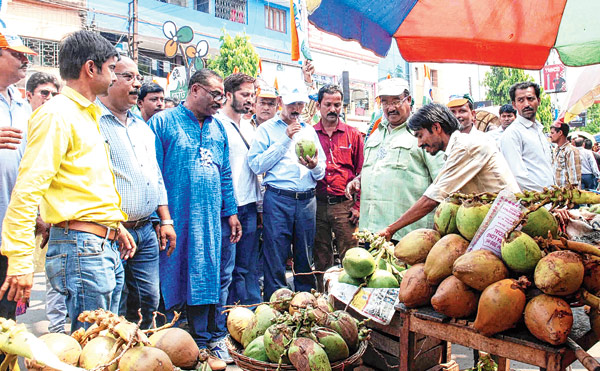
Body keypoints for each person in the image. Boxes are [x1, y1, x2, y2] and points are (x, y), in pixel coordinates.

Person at [0, 30, 136, 332]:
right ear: (90, 68)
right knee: (90, 349)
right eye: (111, 68)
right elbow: (26, 190)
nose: (114, 77)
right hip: (81, 249)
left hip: (100, 247)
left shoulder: (86, 115)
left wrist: (114, 226)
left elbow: (83, 187)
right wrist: (20, 261)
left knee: (105, 346)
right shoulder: (57, 115)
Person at [148, 69, 241, 369]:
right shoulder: (162, 123)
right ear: (196, 90)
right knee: (173, 272)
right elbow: (152, 174)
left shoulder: (219, 128)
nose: (220, 101)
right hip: (173, 219)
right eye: (215, 94)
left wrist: (232, 212)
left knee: (206, 274)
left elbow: (225, 172)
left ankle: (205, 340)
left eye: (223, 96)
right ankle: (170, 339)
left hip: (210, 220)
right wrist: (159, 219)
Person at [98, 57, 176, 329]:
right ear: (109, 78)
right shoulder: (92, 122)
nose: (136, 84)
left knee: (149, 300)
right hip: (111, 232)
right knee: (115, 304)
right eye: (127, 76)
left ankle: (143, 354)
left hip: (145, 230)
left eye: (137, 77)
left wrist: (165, 220)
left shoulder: (143, 128)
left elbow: (155, 176)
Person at [379, 103, 520, 239]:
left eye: (420, 135)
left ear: (436, 127)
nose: (419, 144)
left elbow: (431, 199)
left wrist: (390, 229)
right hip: (495, 225)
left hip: (509, 226)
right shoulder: (457, 148)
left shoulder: (465, 148)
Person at [248, 82, 326, 301]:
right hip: (278, 198)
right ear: (280, 102)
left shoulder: (310, 130)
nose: (296, 109)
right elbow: (256, 165)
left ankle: (305, 301)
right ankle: (276, 302)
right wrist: (286, 138)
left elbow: (321, 170)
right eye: (292, 103)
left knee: (305, 254)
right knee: (275, 253)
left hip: (306, 200)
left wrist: (314, 167)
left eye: (300, 104)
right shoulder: (265, 130)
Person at [345, 78, 444, 241]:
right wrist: (359, 180)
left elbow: (442, 182)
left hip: (408, 235)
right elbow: (377, 168)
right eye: (385, 102)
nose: (390, 108)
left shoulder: (425, 133)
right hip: (372, 233)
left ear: (409, 100)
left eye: (396, 101)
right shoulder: (375, 134)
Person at [214, 73, 262, 311]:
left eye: (252, 95)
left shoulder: (250, 127)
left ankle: (250, 311)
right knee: (227, 266)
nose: (250, 100)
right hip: (227, 207)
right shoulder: (216, 124)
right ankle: (225, 314)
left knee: (248, 264)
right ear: (229, 94)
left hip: (250, 205)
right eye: (244, 94)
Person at [25, 71, 67, 333]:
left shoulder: (57, 122)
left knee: (55, 278)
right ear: (28, 95)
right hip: (23, 214)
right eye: (44, 93)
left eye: (54, 94)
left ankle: (58, 332)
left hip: (53, 217)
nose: (49, 98)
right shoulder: (26, 123)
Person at [0, 29, 37, 324]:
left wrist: (37, 213)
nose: (25, 61)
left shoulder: (23, 105)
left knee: (6, 316)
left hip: (12, 228)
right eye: (17, 55)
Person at [313, 84, 363, 291]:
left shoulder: (353, 135)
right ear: (318, 106)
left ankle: (351, 296)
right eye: (328, 104)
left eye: (337, 104)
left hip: (345, 206)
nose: (333, 109)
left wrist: (357, 206)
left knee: (351, 255)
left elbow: (362, 172)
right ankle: (323, 297)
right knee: (320, 255)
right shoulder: (310, 134)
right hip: (316, 204)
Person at [500, 82, 554, 191]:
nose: (526, 104)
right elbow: (518, 176)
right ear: (514, 105)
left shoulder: (539, 130)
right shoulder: (513, 133)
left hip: (549, 200)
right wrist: (545, 199)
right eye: (520, 100)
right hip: (534, 203)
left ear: (538, 101)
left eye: (530, 99)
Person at [549, 122, 581, 188]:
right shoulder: (556, 150)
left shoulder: (571, 150)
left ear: (560, 133)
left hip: (567, 194)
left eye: (552, 133)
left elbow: (574, 180)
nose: (550, 135)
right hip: (557, 193)